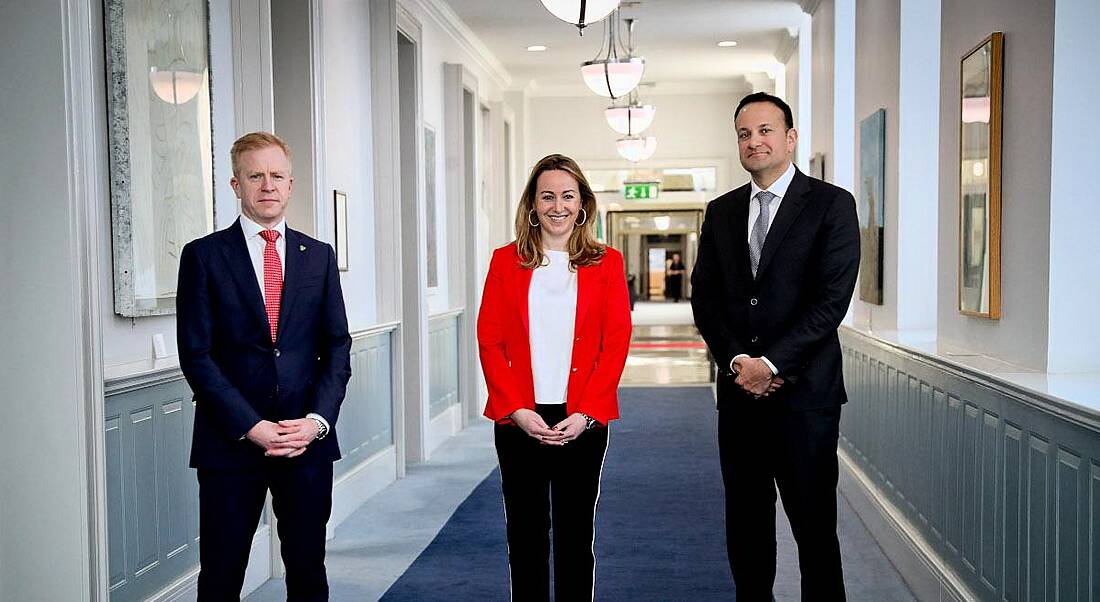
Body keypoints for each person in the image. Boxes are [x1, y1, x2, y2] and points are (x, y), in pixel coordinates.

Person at [691, 92, 860, 600]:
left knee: (814, 531)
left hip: (805, 398)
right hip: (741, 398)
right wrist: (741, 362)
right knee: (746, 528)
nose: (754, 141)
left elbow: (832, 301)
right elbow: (706, 297)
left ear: (789, 138)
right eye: (744, 134)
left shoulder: (831, 204)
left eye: (765, 130)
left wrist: (773, 362)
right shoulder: (721, 212)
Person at [177, 131, 352, 601]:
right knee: (221, 573)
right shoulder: (204, 256)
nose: (267, 185)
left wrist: (317, 422)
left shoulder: (318, 256)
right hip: (229, 443)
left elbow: (337, 347)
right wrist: (250, 425)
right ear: (236, 184)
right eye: (255, 175)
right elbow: (196, 355)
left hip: (305, 443)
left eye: (276, 175)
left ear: (291, 184)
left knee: (308, 572)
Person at [478, 154, 632, 601]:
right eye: (547, 196)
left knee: (574, 535)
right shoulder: (505, 261)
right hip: (520, 420)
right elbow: (490, 341)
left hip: (581, 419)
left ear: (583, 203)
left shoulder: (606, 263)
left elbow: (615, 343)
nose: (558, 206)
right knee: (524, 536)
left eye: (568, 195)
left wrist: (587, 412)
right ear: (533, 204)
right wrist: (516, 410)